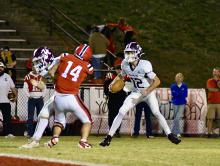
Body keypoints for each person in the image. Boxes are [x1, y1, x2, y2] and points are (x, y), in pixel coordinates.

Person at [100, 42, 181, 147]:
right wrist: (113, 83)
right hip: (136, 92)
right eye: (127, 53)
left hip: (148, 92)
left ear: (137, 53)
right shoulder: (124, 63)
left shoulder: (145, 64)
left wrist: (147, 91)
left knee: (156, 112)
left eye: (131, 53)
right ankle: (108, 137)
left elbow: (157, 81)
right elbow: (121, 75)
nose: (128, 55)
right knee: (121, 111)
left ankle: (170, 135)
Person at [104, 64, 127, 138]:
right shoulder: (111, 76)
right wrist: (107, 93)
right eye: (117, 69)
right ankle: (111, 131)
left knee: (119, 114)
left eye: (120, 69)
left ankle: (117, 131)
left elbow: (128, 86)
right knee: (111, 115)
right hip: (112, 97)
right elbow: (105, 85)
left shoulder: (124, 77)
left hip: (121, 98)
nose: (118, 71)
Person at [23, 66, 46, 137]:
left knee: (41, 116)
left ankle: (39, 133)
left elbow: (45, 87)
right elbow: (25, 88)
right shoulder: (28, 76)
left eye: (37, 68)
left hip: (40, 99)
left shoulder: (41, 76)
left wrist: (43, 95)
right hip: (32, 99)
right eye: (34, 68)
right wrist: (29, 96)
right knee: (30, 117)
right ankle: (30, 133)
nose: (36, 69)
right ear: (32, 68)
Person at [0, 62, 17, 137]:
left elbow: (13, 88)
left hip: (5, 101)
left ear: (4, 68)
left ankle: (8, 133)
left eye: (1, 67)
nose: (0, 69)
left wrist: (15, 97)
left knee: (7, 119)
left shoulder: (7, 76)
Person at [170, 73, 188, 137]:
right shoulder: (172, 86)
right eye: (177, 77)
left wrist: (178, 93)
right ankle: (173, 132)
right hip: (175, 103)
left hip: (182, 103)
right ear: (175, 78)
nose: (178, 78)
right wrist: (180, 93)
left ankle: (176, 132)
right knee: (176, 118)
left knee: (177, 118)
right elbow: (174, 95)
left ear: (182, 78)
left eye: (180, 77)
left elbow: (185, 95)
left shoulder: (185, 86)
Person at [206, 67, 220, 137]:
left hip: (219, 103)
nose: (214, 73)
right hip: (211, 102)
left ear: (219, 73)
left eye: (216, 71)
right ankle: (209, 133)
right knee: (210, 118)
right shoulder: (209, 80)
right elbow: (210, 89)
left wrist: (217, 81)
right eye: (213, 71)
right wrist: (217, 89)